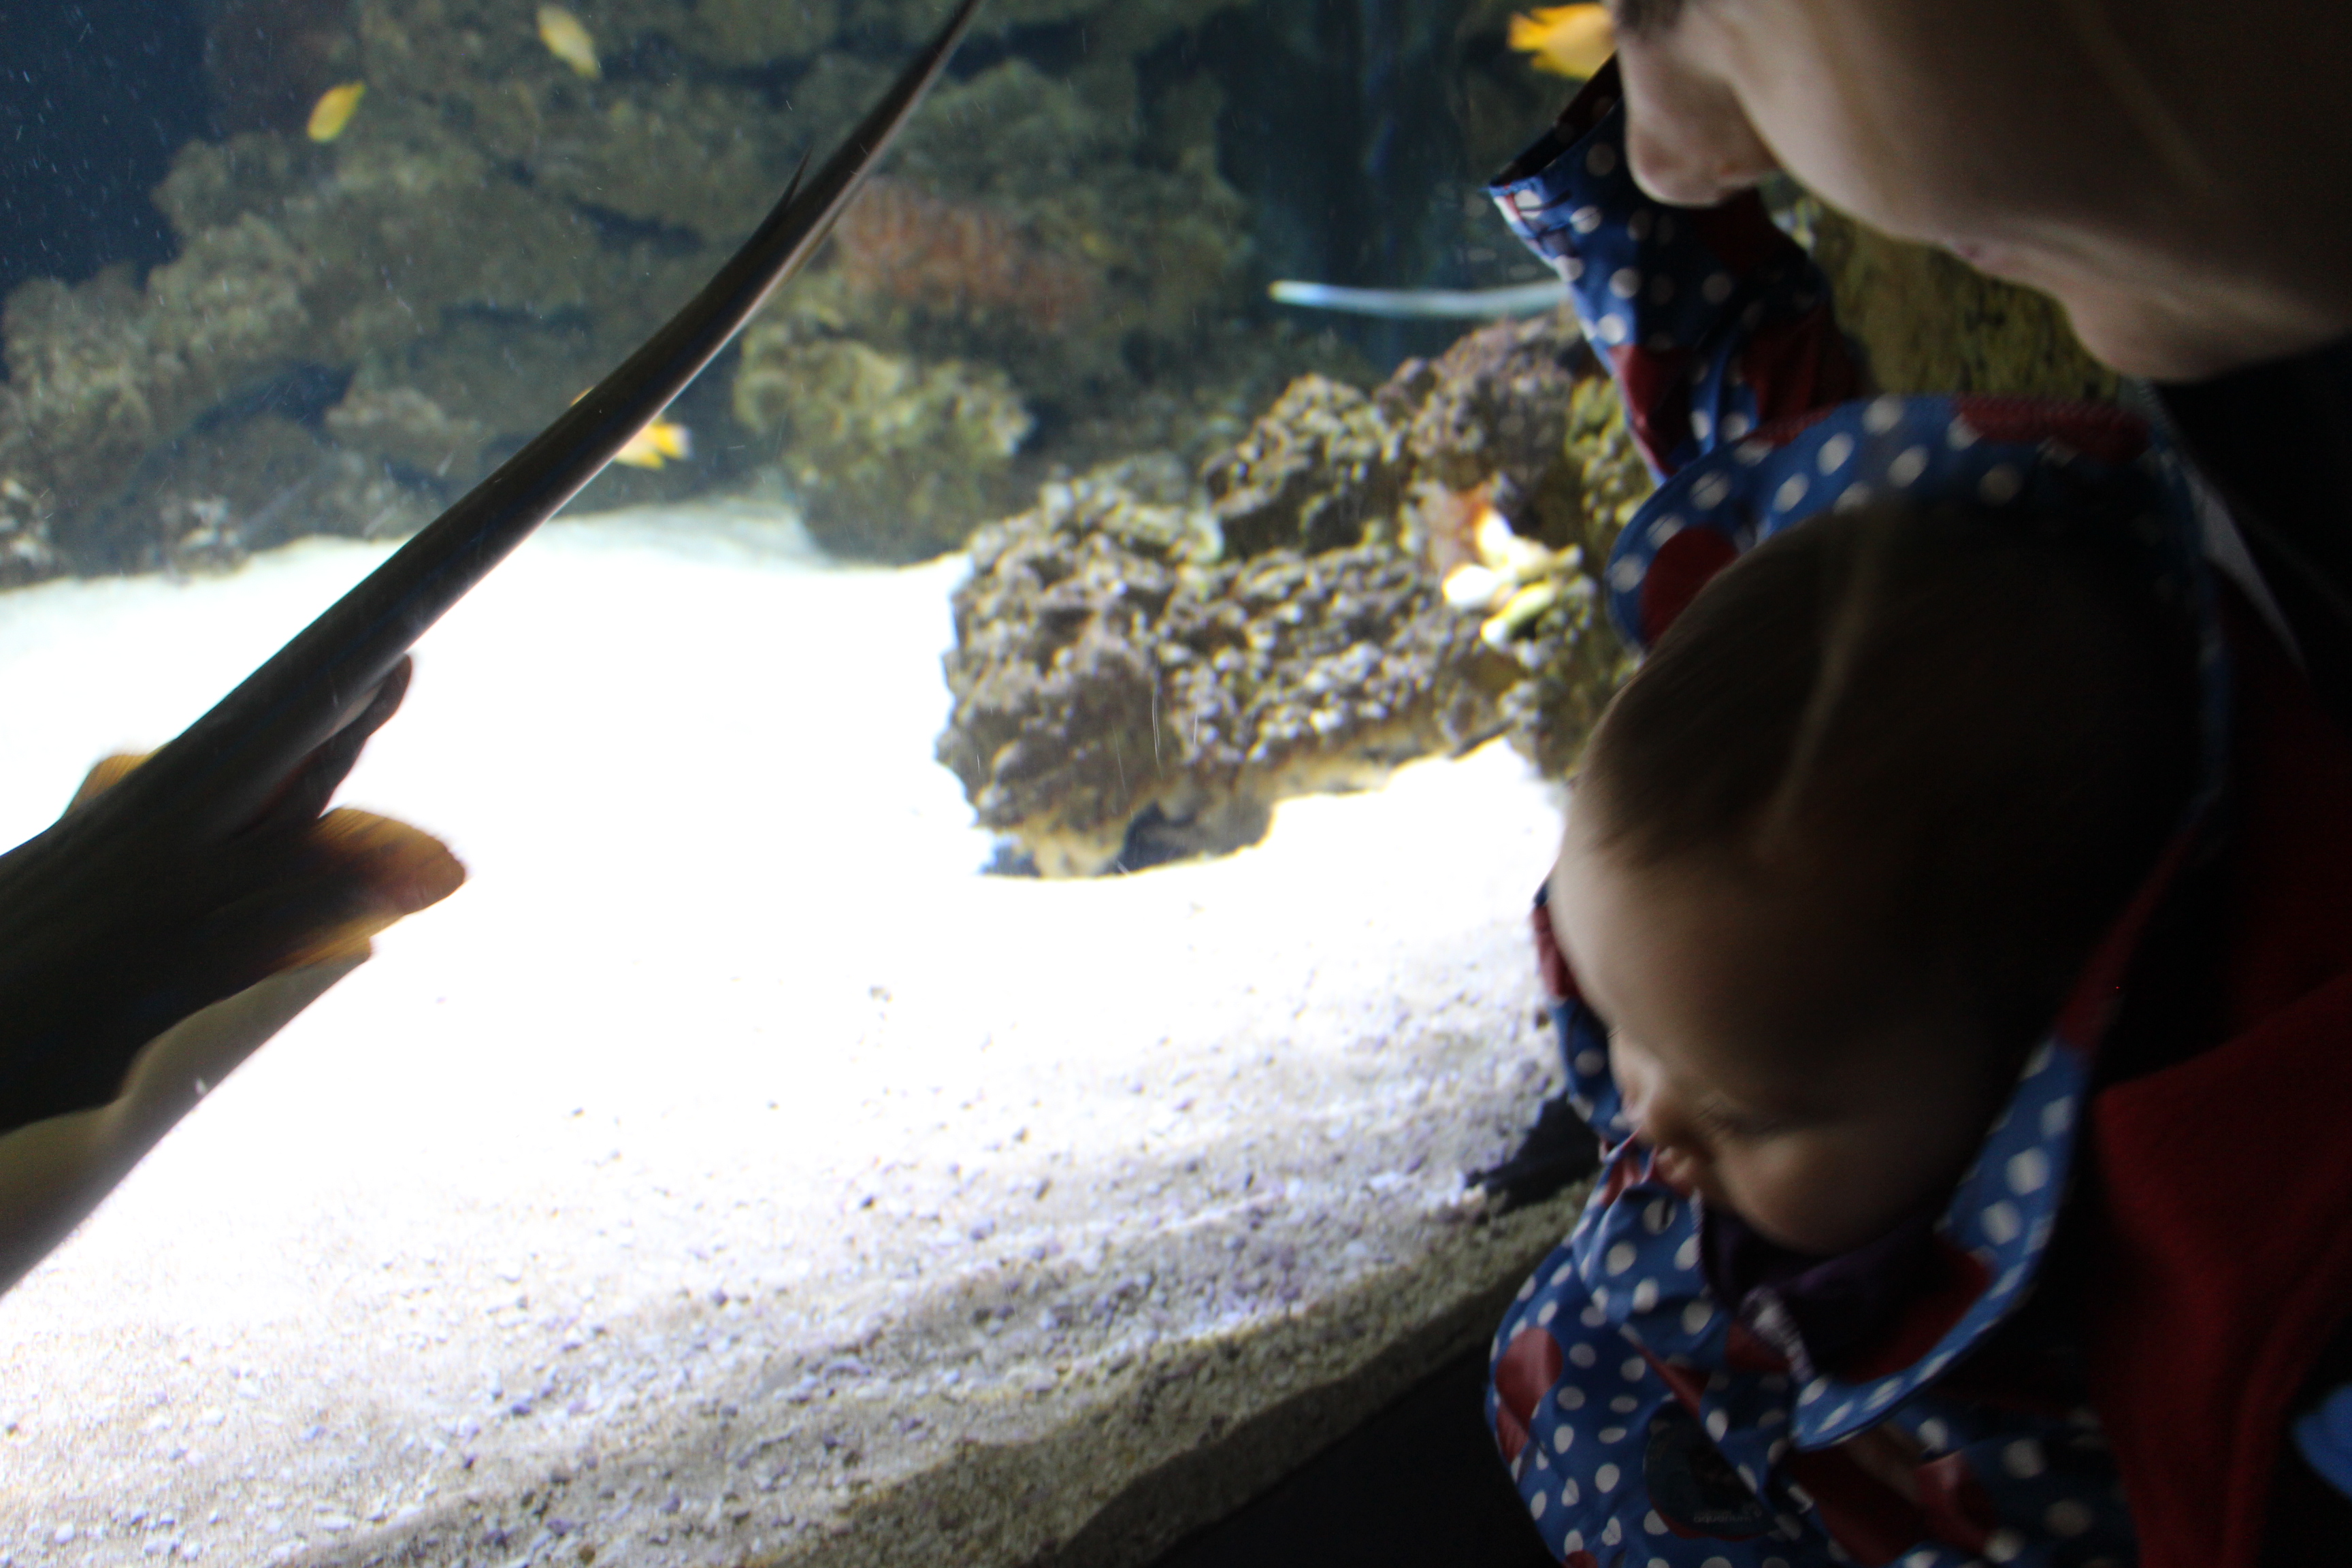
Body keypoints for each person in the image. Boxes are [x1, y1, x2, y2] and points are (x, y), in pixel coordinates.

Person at [1476, 59, 2352, 1568]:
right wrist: (1603, 199)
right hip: (1653, 1382)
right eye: (1623, 1021)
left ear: (2022, 1062)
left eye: (1753, 1109)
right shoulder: (1816, 743)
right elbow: (1738, 396)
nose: (1650, 1115)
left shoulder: (2098, 1355)